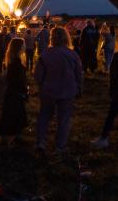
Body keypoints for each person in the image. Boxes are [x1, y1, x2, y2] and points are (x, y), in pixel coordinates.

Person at [34, 26, 83, 154]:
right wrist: (79, 88)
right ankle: (60, 146)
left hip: (49, 90)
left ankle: (41, 142)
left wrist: (41, 85)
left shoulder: (46, 54)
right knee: (64, 119)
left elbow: (38, 74)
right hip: (68, 91)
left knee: (44, 116)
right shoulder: (72, 54)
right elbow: (79, 74)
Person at [0, 37, 29, 146]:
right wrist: (23, 89)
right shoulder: (16, 62)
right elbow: (14, 79)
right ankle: (5, 140)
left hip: (14, 92)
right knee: (11, 115)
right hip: (15, 93)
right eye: (23, 45)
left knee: (16, 115)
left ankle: (15, 136)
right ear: (19, 47)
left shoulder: (14, 60)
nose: (25, 46)